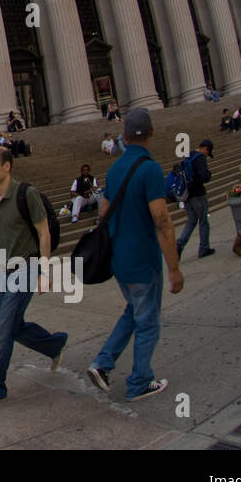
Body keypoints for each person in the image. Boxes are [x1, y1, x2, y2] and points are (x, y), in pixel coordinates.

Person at [86, 108, 183, 402]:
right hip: (143, 259)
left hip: (119, 259)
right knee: (148, 321)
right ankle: (140, 381)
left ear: (124, 137)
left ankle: (102, 363)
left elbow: (103, 213)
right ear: (151, 133)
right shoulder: (150, 169)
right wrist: (175, 268)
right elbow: (162, 221)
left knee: (135, 310)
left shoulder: (114, 170)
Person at [0, 145, 67, 407]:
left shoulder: (26, 194)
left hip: (27, 267)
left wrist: (44, 271)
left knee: (2, 329)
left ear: (6, 166)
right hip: (5, 270)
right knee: (14, 327)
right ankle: (54, 345)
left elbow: (44, 233)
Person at [175, 140, 215, 259]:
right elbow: (204, 176)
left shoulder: (188, 156)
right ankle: (204, 248)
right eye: (208, 152)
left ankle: (180, 243)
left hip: (187, 195)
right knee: (203, 221)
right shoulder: (200, 158)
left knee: (191, 220)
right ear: (205, 148)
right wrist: (208, 174)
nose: (207, 155)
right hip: (198, 194)